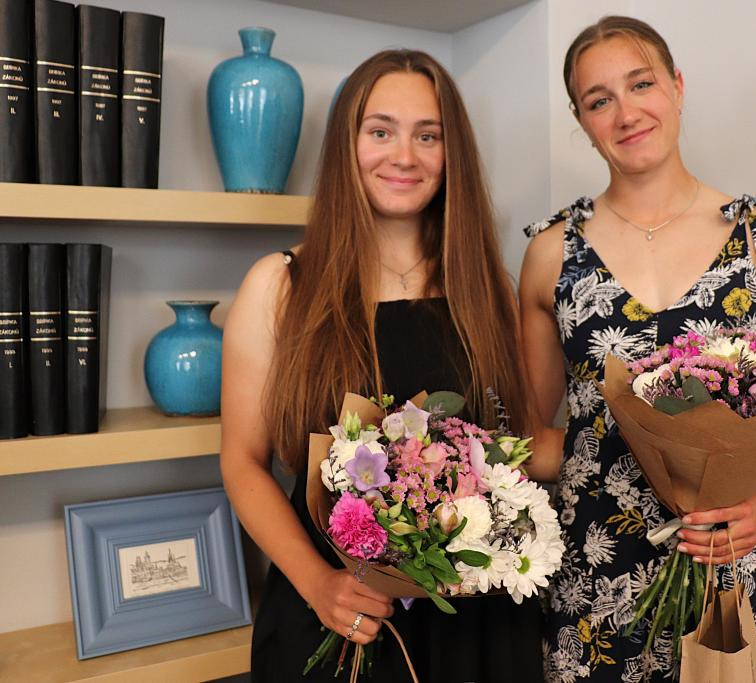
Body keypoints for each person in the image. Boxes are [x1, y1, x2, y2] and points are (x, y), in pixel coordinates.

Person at [519, 16, 756, 683]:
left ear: (677, 86)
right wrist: (449, 475)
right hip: (591, 575)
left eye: (641, 84)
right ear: (581, 118)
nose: (626, 113)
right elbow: (534, 432)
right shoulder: (550, 252)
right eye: (599, 100)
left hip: (724, 570)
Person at [220, 49, 542, 682]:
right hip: (341, 613)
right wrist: (319, 585)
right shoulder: (280, 285)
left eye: (428, 136)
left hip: (475, 619)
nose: (404, 156)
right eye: (381, 131)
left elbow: (513, 447)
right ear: (348, 144)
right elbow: (243, 462)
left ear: (452, 154)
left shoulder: (487, 288)